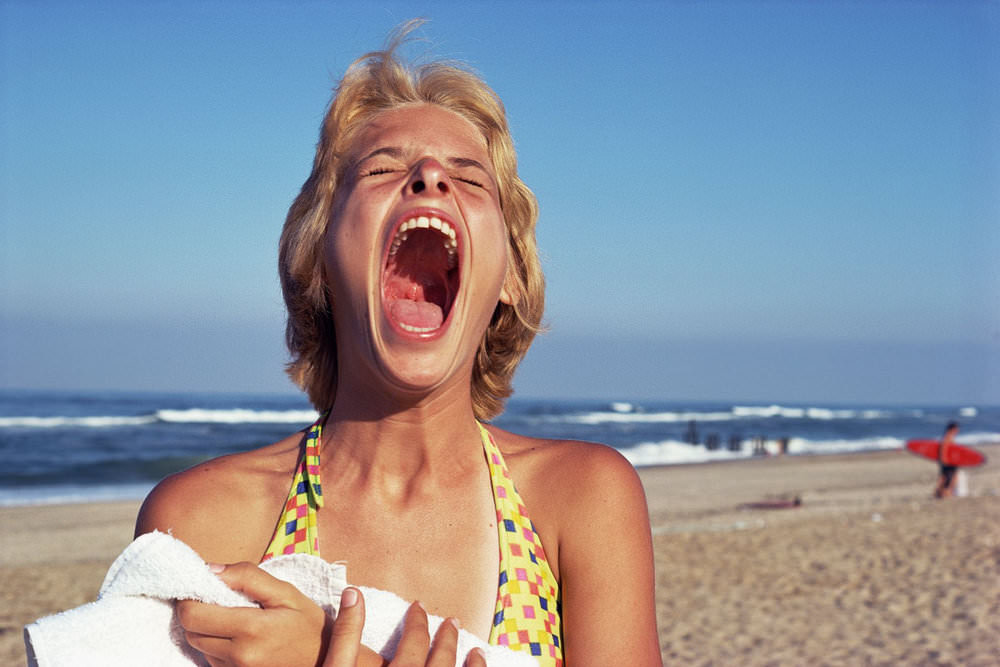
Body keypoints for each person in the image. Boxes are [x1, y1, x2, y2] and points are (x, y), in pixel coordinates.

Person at [134, 22, 661, 667]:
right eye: (382, 169)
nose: (432, 177)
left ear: (510, 278)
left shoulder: (582, 498)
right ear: (318, 259)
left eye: (470, 180)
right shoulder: (207, 521)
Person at [934, 421, 960, 498]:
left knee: (945, 478)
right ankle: (943, 493)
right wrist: (943, 459)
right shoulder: (947, 437)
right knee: (947, 478)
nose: (957, 430)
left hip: (950, 461)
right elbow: (943, 449)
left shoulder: (949, 437)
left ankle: (942, 493)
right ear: (952, 429)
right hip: (948, 462)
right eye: (956, 429)